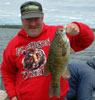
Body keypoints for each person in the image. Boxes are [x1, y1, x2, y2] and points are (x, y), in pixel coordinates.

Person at [1, 1, 94, 100]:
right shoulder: (13, 44)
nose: (33, 23)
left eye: (36, 18)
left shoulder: (58, 33)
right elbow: (7, 72)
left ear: (42, 18)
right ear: (22, 20)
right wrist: (12, 96)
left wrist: (78, 27)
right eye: (28, 19)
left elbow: (87, 40)